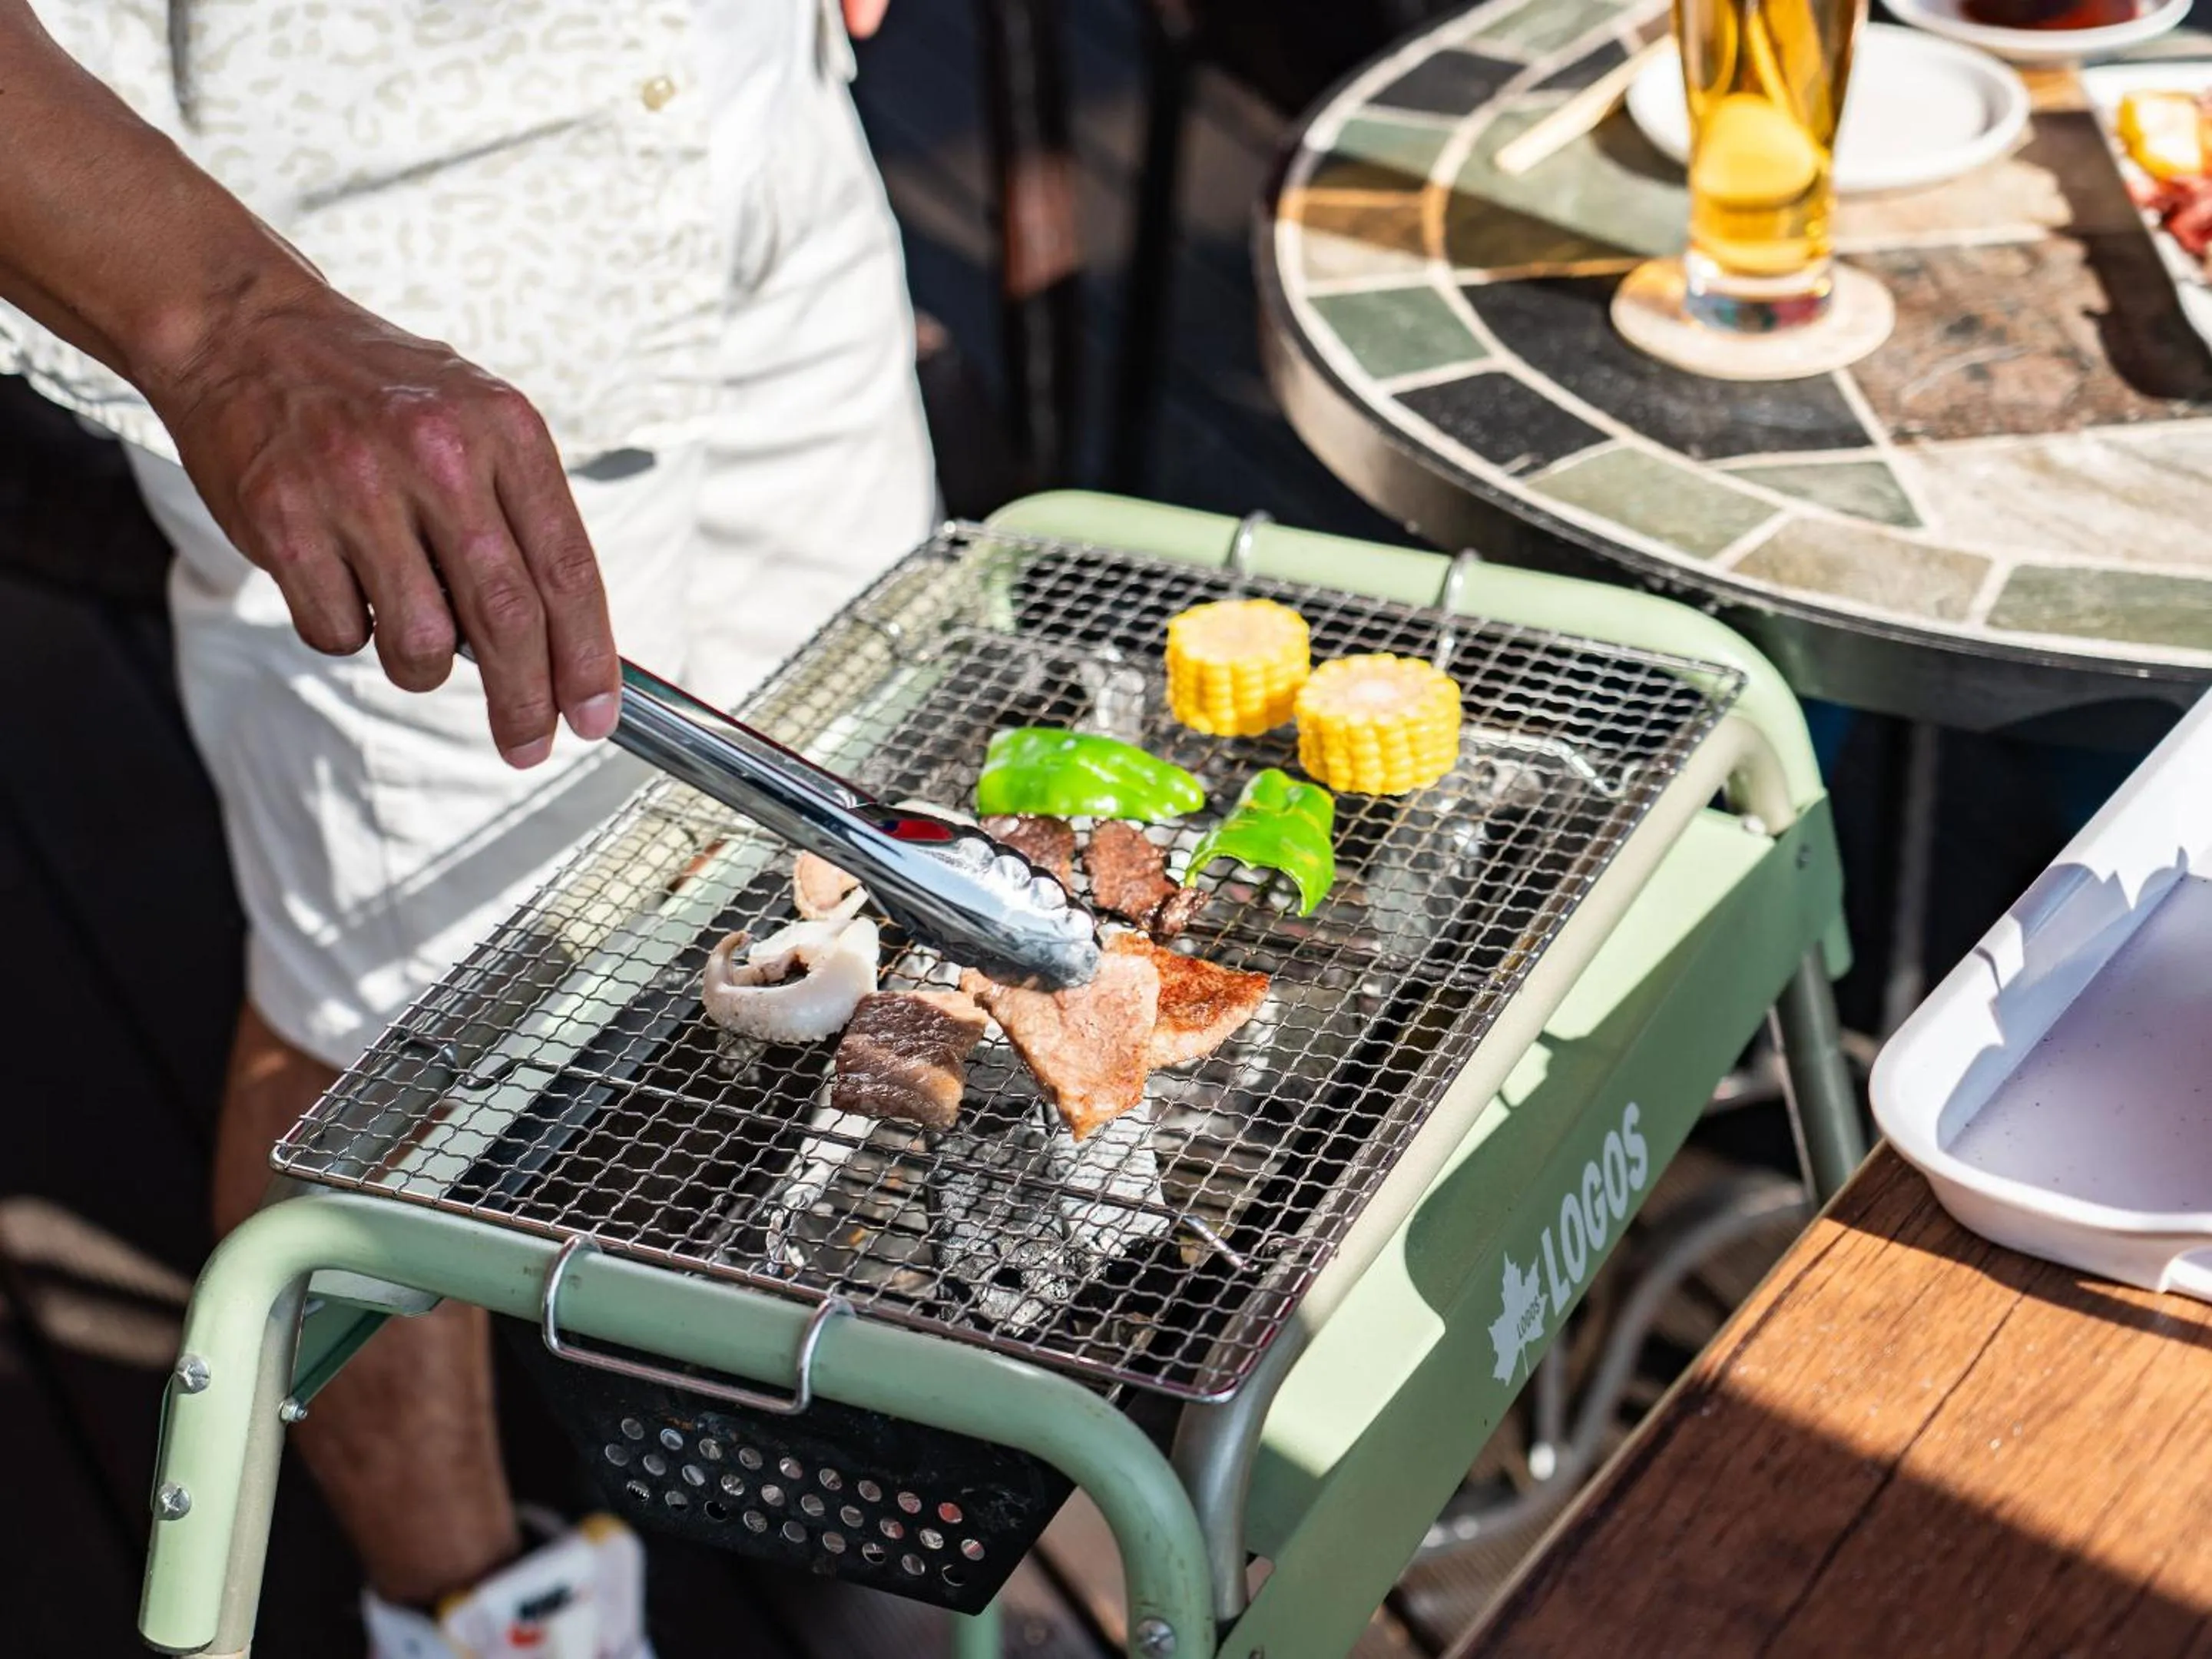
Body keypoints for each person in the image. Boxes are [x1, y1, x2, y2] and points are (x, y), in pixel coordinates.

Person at [0, 0, 933, 1651]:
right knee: (393, 1055)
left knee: (861, 845)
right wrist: (231, 332)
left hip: (761, 139)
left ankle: (846, 1479)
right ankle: (493, 1618)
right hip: (346, 292)